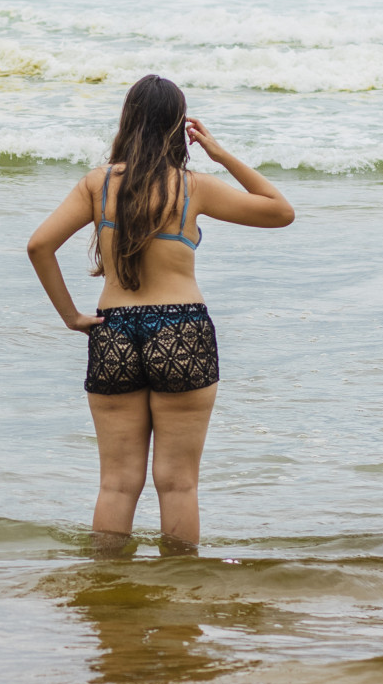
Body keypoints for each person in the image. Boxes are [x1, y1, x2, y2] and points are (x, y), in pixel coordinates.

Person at [27, 75, 294, 553]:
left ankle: (108, 591)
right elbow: (280, 211)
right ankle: (180, 593)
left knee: (116, 484)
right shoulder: (195, 187)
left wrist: (70, 316)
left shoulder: (97, 183)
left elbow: (39, 245)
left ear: (127, 120)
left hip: (113, 330)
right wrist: (221, 153)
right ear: (177, 126)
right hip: (181, 329)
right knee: (178, 483)